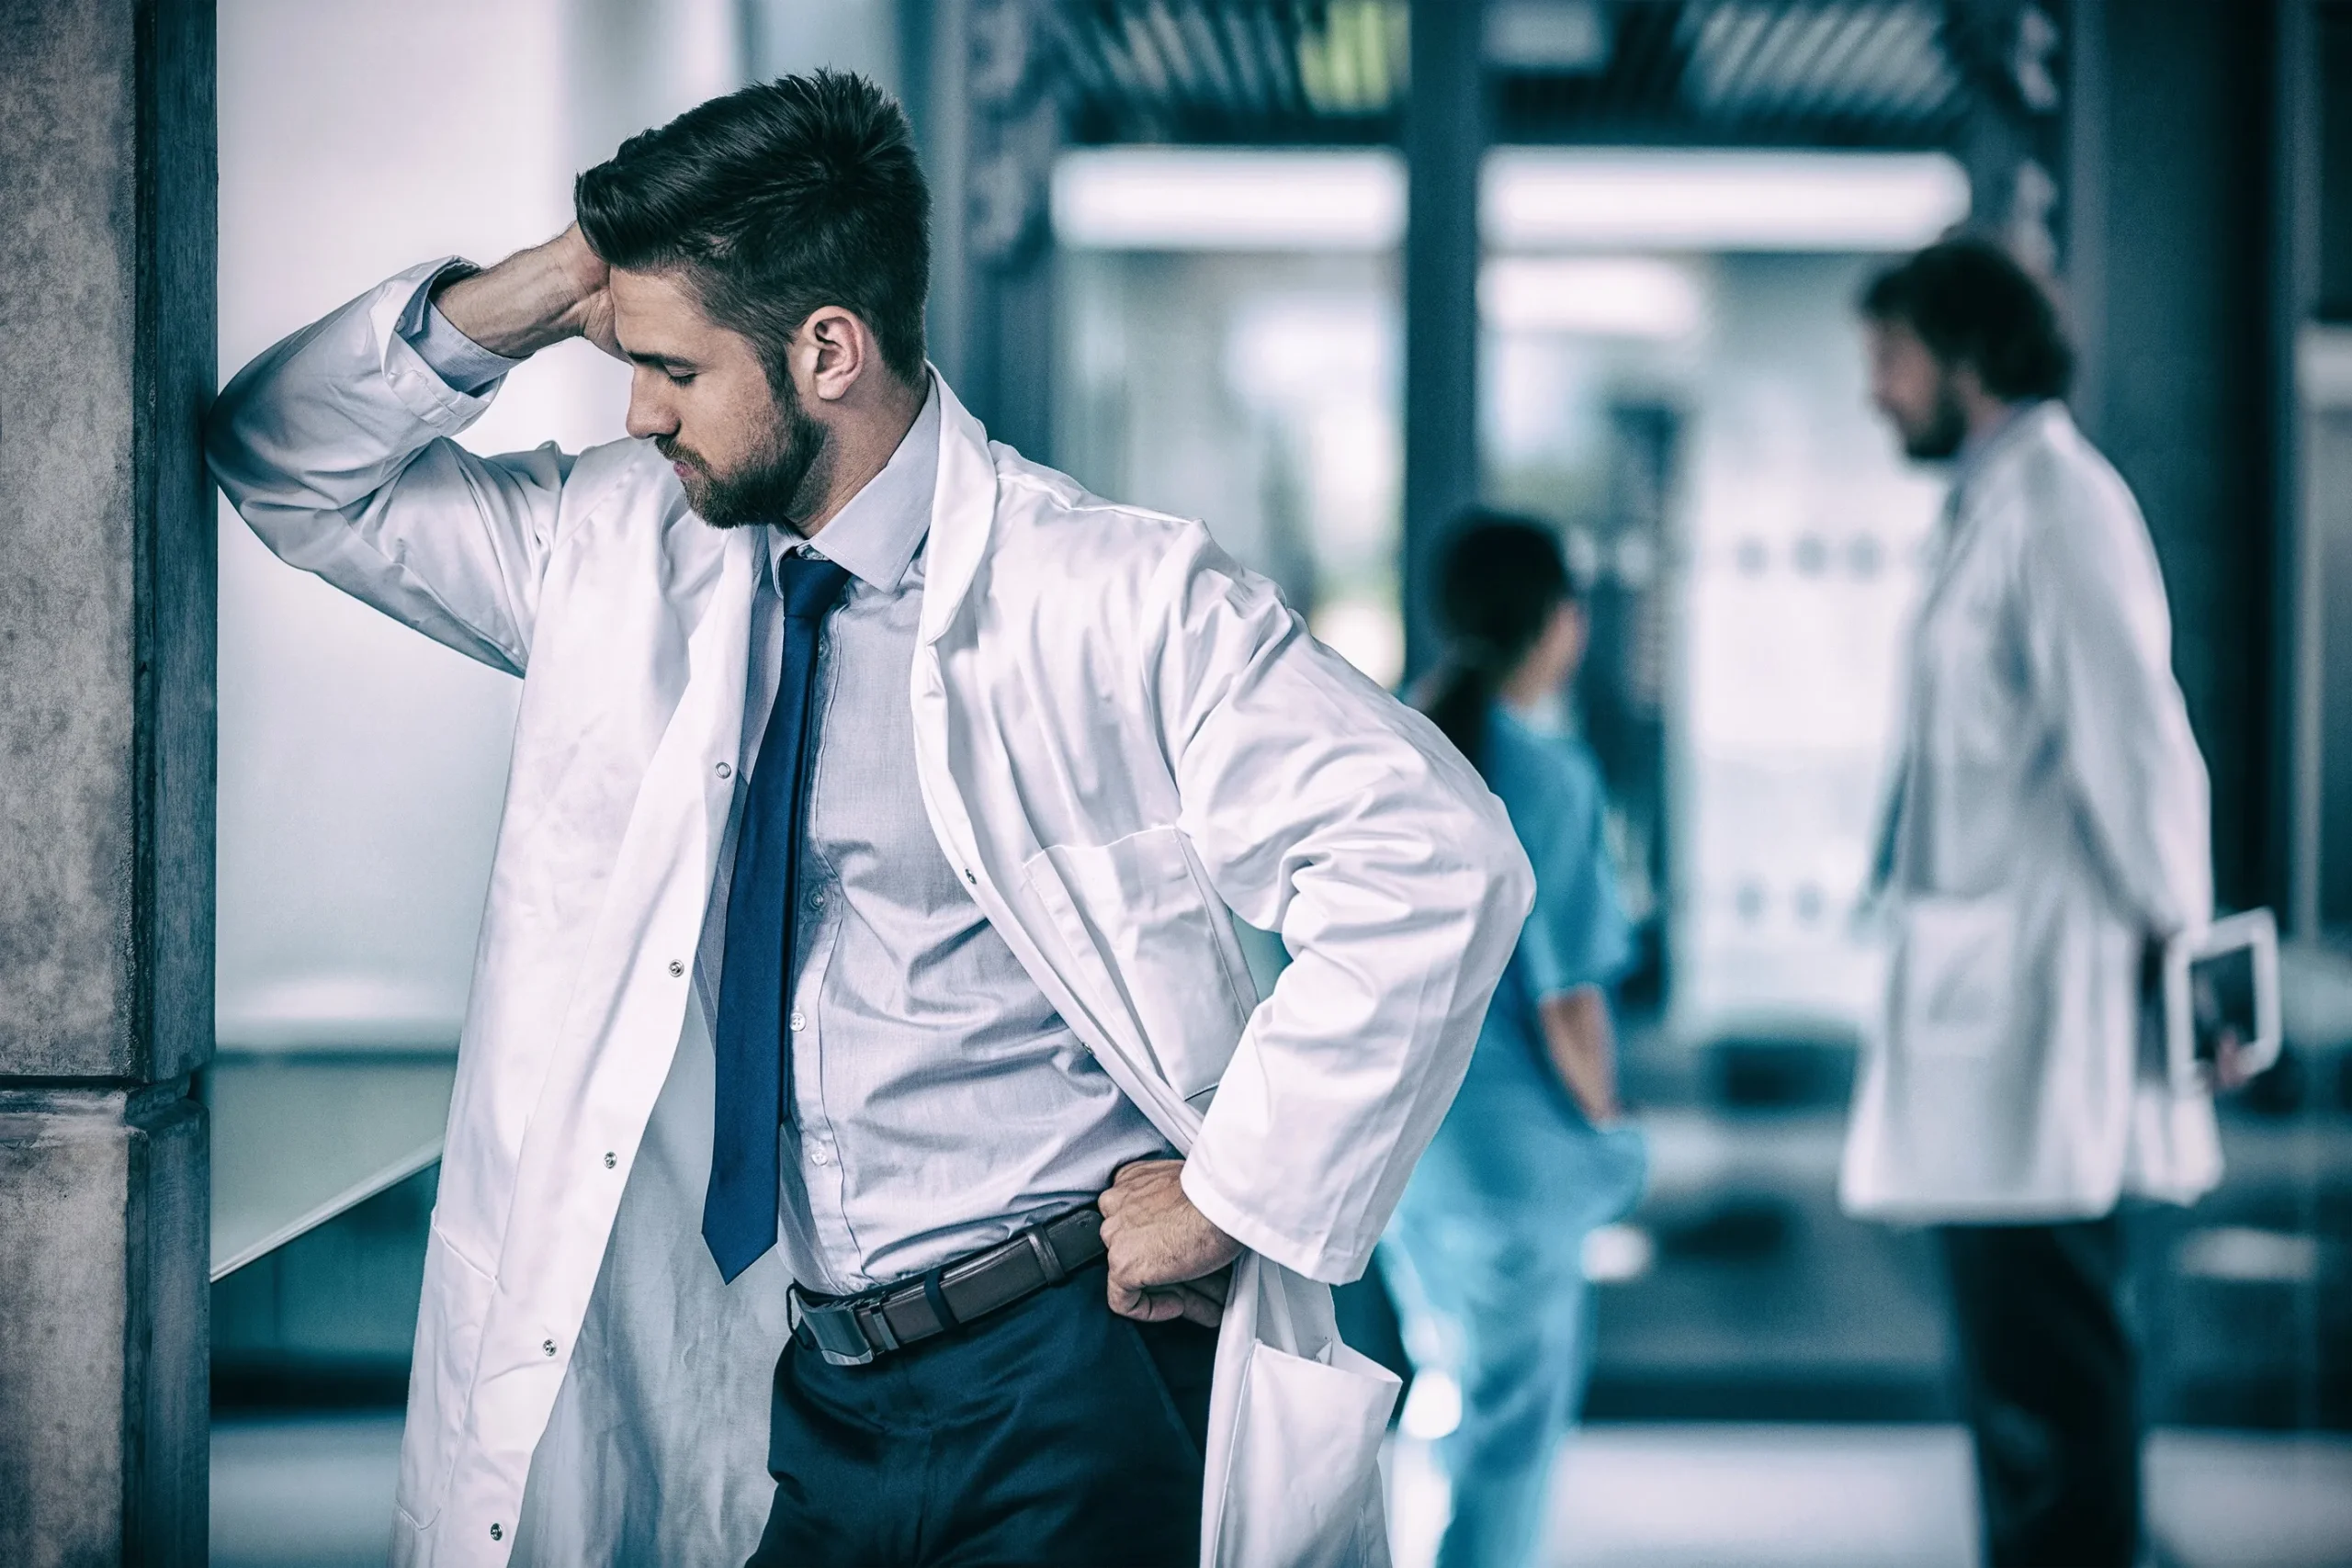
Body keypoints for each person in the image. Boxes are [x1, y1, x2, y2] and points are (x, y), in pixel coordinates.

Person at [207, 73, 1532, 1568]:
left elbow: (1433, 858)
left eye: (671, 369)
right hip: (813, 1381)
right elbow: (285, 461)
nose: (636, 413)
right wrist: (556, 278)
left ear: (827, 348)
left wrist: (1238, 1192)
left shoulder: (1116, 594)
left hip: (1063, 1372)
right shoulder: (623, 551)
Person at [1840, 237, 2222, 1568]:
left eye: (1889, 359)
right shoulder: (1998, 501)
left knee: (2053, 1381)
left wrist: (2195, 961)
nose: (1876, 392)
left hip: (2044, 1033)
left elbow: (2138, 748)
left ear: (1967, 352)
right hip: (1995, 1027)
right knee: (2023, 1382)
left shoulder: (2062, 504)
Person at [1380, 513, 1649, 1568]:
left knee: (1444, 1396)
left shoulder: (1391, 750)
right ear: (1557, 626)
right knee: (1505, 1437)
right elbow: (1570, 1003)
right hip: (1516, 1163)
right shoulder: (1550, 777)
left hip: (1409, 1157)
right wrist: (1612, 1126)